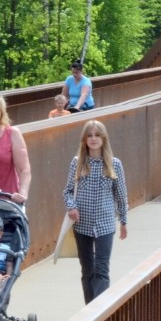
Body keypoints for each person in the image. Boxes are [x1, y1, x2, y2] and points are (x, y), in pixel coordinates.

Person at [62, 120, 128, 304]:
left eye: (97, 135)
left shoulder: (114, 164)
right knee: (87, 269)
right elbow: (67, 190)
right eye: (89, 135)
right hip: (82, 224)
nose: (93, 139)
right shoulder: (77, 163)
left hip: (105, 223)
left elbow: (121, 195)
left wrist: (124, 221)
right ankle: (89, 308)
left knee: (101, 269)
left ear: (104, 138)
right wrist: (71, 206)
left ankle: (99, 312)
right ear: (84, 140)